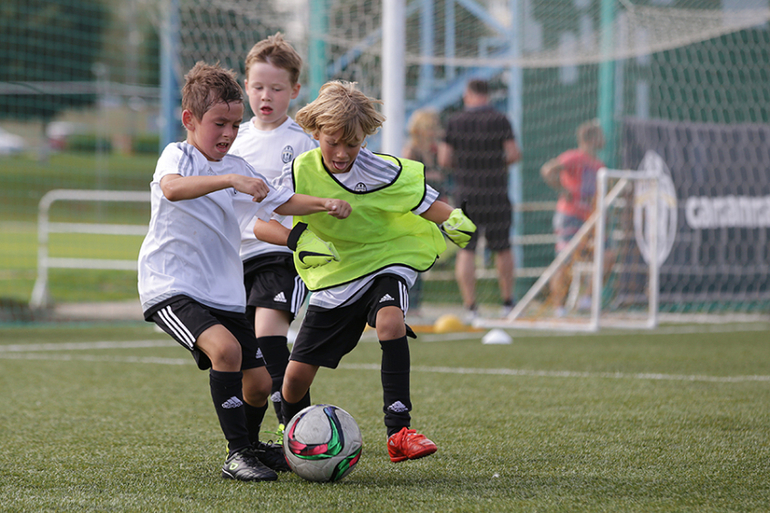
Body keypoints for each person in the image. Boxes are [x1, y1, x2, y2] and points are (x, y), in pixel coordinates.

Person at [137, 62, 351, 482]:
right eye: (219, 124)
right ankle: (236, 455)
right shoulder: (178, 155)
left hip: (223, 292)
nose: (229, 133)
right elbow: (173, 189)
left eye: (235, 124)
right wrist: (230, 180)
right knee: (227, 352)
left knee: (258, 384)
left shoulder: (235, 166)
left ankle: (251, 446)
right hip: (171, 285)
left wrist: (324, 204)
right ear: (189, 120)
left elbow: (280, 200)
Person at [253, 81, 477, 463]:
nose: (342, 153)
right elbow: (260, 222)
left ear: (365, 139)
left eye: (353, 144)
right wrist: (297, 239)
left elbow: (422, 201)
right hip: (336, 273)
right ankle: (294, 441)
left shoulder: (379, 168)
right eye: (333, 143)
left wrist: (453, 218)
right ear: (316, 133)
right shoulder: (299, 171)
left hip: (387, 257)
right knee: (294, 380)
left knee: (390, 322)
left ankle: (399, 431)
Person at [229, 32, 318, 437]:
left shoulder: (301, 143)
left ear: (294, 91)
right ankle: (246, 442)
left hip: (280, 255)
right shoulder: (234, 139)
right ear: (246, 86)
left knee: (269, 339)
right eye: (259, 87)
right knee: (249, 363)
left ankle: (300, 435)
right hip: (233, 261)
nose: (266, 96)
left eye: (277, 89)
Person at [438, 79, 521, 322]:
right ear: (487, 94)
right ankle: (507, 304)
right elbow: (514, 153)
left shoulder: (455, 121)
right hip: (495, 192)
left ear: (469, 94)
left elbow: (444, 159)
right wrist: (495, 164)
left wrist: (465, 166)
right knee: (503, 248)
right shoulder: (500, 119)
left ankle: (471, 307)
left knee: (466, 250)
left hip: (466, 193)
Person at [540, 119, 605, 316]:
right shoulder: (574, 157)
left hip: (590, 220)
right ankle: (558, 307)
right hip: (569, 217)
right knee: (565, 261)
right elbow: (548, 170)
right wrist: (562, 190)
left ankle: (587, 299)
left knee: (607, 255)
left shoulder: (599, 165)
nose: (605, 139)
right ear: (591, 138)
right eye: (601, 135)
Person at [401, 108, 448, 314]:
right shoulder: (411, 151)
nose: (434, 132)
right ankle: (409, 302)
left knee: (424, 255)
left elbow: (444, 171)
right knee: (412, 256)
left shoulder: (436, 152)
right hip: (416, 209)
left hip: (434, 207)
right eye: (430, 127)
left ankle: (416, 303)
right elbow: (409, 178)